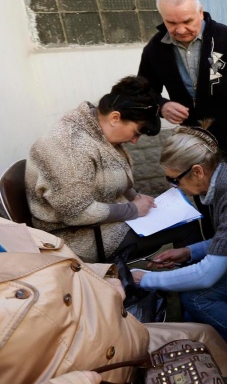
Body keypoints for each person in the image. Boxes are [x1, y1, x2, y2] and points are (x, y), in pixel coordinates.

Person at [0, 217, 227, 384]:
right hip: (88, 382)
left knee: (201, 334)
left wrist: (107, 277)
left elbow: (67, 264)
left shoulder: (6, 229)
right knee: (195, 312)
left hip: (110, 330)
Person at [130, 125, 227, 367]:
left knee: (196, 297)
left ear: (198, 171)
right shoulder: (225, 179)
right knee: (193, 312)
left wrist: (144, 279)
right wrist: (189, 251)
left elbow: (207, 275)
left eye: (174, 179)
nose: (173, 186)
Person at [25, 76, 199, 263]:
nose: (134, 141)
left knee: (183, 219)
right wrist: (132, 209)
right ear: (115, 117)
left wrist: (134, 196)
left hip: (103, 224)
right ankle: (195, 289)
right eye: (136, 132)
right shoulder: (69, 147)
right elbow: (76, 213)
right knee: (186, 226)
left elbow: (112, 175)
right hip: (78, 239)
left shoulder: (96, 129)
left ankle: (185, 281)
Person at [137, 0, 227, 169]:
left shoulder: (225, 38)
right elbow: (143, 91)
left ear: (200, 12)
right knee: (202, 191)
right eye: (171, 23)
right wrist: (162, 105)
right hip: (194, 143)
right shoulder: (155, 49)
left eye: (187, 21)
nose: (180, 30)